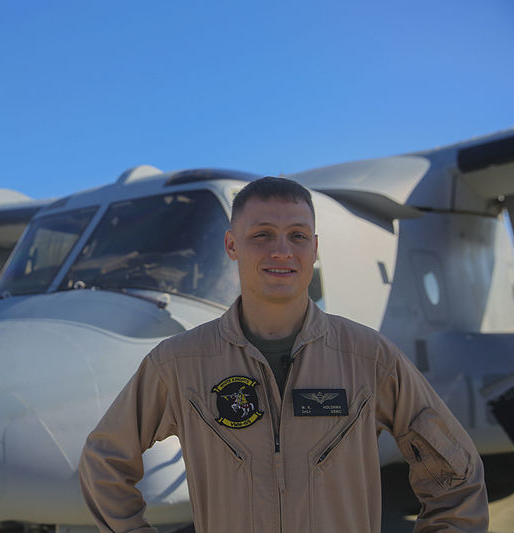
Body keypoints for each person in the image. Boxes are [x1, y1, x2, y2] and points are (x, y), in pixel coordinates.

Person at [78, 177, 488, 532]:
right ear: (232, 245)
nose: (281, 251)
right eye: (262, 235)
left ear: (314, 247)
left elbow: (458, 475)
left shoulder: (369, 358)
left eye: (297, 235)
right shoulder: (178, 364)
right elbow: (104, 461)